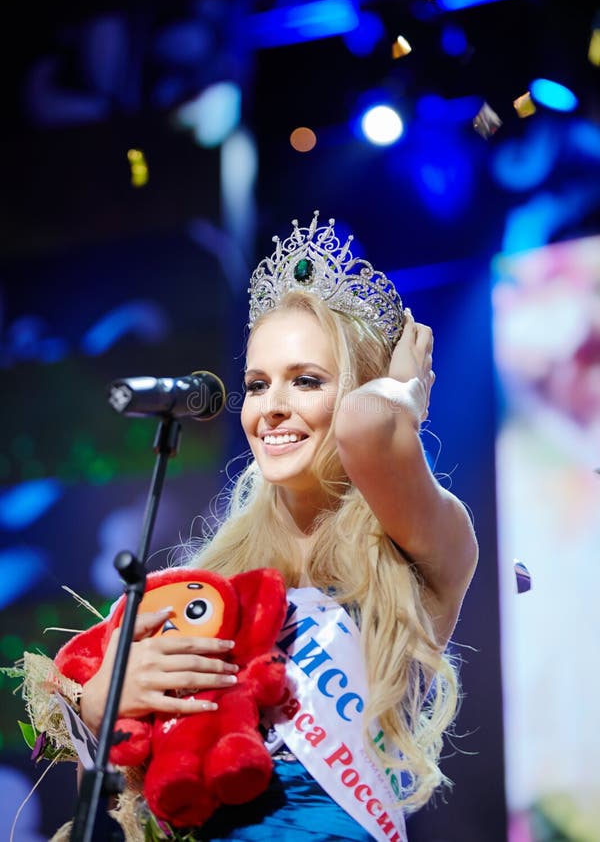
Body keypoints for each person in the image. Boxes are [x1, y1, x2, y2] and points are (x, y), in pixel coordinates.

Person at [39, 212, 478, 841]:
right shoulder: (212, 578)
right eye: (256, 384)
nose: (272, 407)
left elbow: (365, 428)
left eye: (306, 381)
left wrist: (406, 389)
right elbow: (112, 801)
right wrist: (100, 702)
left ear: (364, 387)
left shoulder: (419, 548)